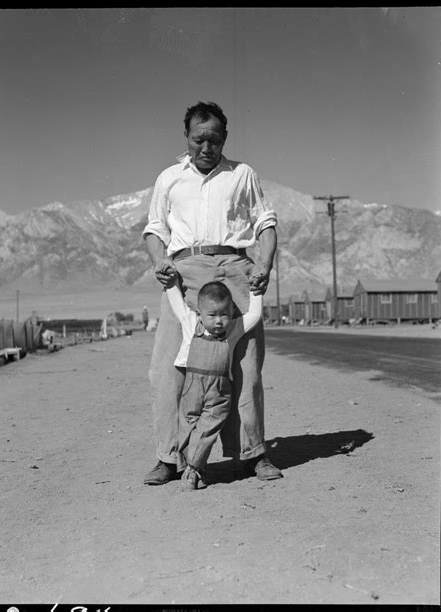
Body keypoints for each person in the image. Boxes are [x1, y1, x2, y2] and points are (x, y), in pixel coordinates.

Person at [142, 100, 282, 485]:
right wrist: (160, 262)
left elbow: (265, 223)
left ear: (225, 138)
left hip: (235, 270)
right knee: (167, 369)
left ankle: (253, 455)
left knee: (245, 368)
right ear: (186, 137)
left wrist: (264, 264)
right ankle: (169, 457)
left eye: (214, 140)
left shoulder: (242, 175)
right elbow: (155, 229)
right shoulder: (169, 178)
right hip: (183, 274)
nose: (207, 148)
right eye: (199, 139)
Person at [161, 269, 263, 490]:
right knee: (188, 427)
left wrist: (257, 292)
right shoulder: (191, 324)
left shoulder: (233, 330)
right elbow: (177, 302)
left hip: (219, 392)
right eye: (212, 315)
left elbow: (253, 316)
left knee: (207, 429)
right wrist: (171, 283)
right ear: (200, 312)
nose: (219, 321)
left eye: (224, 314)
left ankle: (192, 470)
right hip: (192, 389)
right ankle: (197, 467)